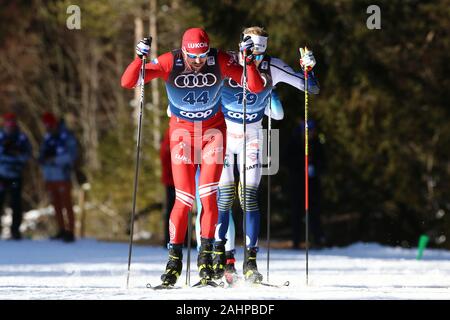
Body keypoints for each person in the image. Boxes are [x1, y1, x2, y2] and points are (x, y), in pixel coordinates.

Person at [121, 27, 265, 286]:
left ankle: (206, 259)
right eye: (192, 57)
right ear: (183, 50)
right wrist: (138, 60)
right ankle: (174, 259)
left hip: (212, 133)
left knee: (209, 197)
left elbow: (254, 86)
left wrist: (249, 61)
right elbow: (128, 82)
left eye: (202, 56)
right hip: (182, 135)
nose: (198, 62)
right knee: (184, 198)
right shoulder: (169, 61)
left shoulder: (219, 60)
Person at [211, 26, 320, 283]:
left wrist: (309, 68)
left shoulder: (273, 66)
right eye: (251, 52)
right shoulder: (226, 61)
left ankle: (251, 262)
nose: (256, 59)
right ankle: (220, 260)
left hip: (253, 137)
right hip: (224, 136)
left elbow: (311, 88)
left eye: (261, 54)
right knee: (223, 198)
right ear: (241, 46)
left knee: (249, 198)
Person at [287, 119, 327, 249]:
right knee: (297, 212)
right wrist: (300, 166)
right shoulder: (295, 142)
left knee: (314, 211)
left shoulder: (316, 143)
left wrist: (314, 167)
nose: (310, 134)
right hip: (297, 183)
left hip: (313, 183)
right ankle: (296, 240)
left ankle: (317, 238)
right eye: (307, 131)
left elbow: (324, 162)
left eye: (311, 131)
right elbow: (287, 160)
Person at [39, 112, 78, 243]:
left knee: (67, 205)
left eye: (49, 125)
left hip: (62, 176)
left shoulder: (66, 136)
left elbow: (72, 156)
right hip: (50, 177)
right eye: (46, 125)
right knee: (56, 205)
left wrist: (54, 160)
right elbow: (42, 156)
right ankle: (61, 229)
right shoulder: (47, 137)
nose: (48, 127)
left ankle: (70, 231)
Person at [0, 113, 32, 240]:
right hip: (1, 176)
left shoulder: (21, 138)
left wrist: (16, 154)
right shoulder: (1, 136)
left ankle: (15, 230)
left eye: (12, 123)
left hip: (15, 176)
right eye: (8, 123)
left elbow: (27, 155)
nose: (10, 126)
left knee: (16, 203)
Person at [160, 127, 175, 247]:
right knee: (172, 209)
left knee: (183, 208)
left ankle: (183, 237)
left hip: (175, 177)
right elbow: (165, 155)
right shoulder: (171, 131)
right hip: (171, 179)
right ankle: (169, 238)